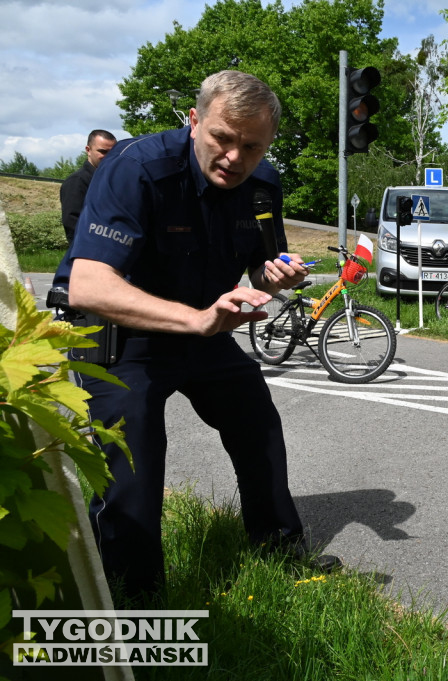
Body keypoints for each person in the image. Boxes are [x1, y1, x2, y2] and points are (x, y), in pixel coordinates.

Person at [61, 70, 332, 603]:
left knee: (256, 421)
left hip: (203, 329)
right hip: (121, 335)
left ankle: (278, 550)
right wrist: (198, 321)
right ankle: (133, 598)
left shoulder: (263, 183)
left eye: (252, 146)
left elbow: (261, 261)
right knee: (134, 458)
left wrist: (276, 274)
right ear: (194, 121)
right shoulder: (135, 169)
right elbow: (86, 285)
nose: (235, 157)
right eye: (223, 138)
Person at [59, 129, 117, 243]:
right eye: (103, 152)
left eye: (112, 152)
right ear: (88, 150)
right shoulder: (77, 181)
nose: (108, 157)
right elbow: (72, 223)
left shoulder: (114, 179)